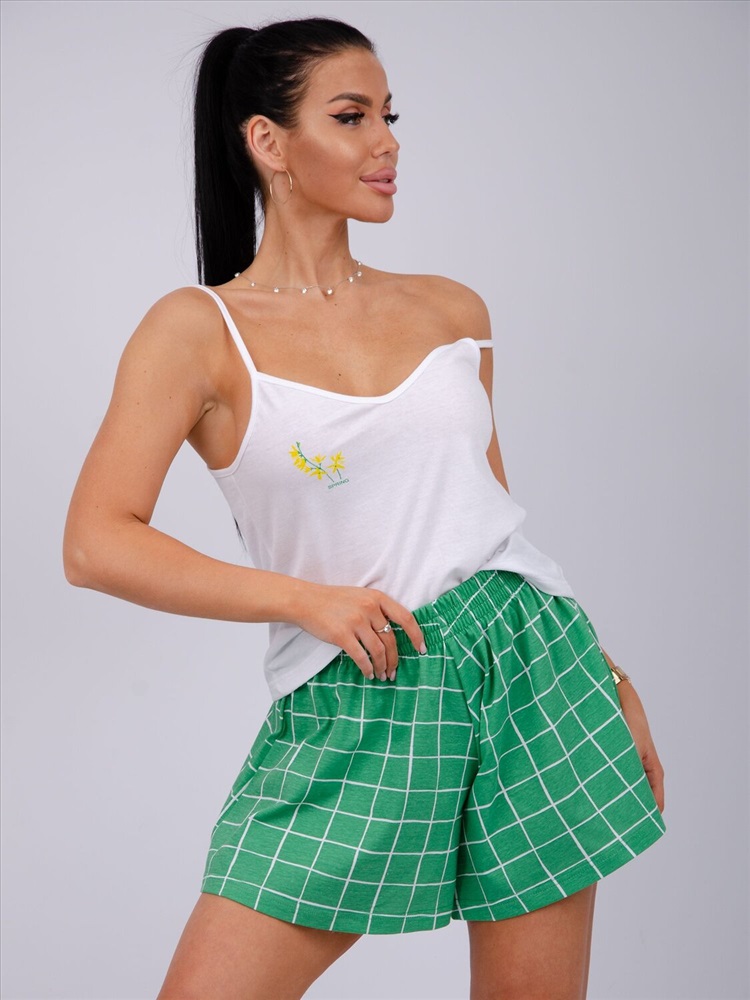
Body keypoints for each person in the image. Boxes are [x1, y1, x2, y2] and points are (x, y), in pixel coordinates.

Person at [63, 16, 666, 1000]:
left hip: (535, 668)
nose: (386, 142)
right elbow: (95, 543)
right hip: (362, 682)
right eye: (352, 117)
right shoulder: (196, 330)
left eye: (390, 116)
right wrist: (305, 599)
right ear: (269, 142)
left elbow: (488, 520)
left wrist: (609, 675)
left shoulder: (453, 311)